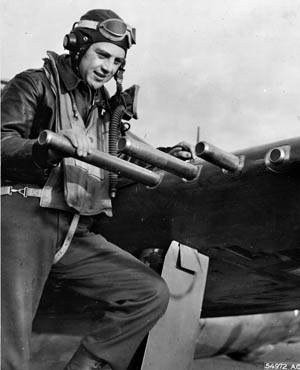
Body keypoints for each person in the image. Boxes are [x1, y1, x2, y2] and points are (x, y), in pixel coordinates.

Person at [1, 8, 195, 370]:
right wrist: (48, 146)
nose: (108, 66)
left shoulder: (104, 110)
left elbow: (109, 171)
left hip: (74, 229)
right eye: (102, 54)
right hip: (23, 219)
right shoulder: (34, 83)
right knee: (7, 349)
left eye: (117, 60)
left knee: (148, 293)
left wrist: (162, 158)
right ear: (78, 47)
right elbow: (1, 143)